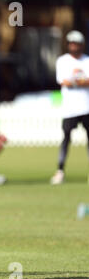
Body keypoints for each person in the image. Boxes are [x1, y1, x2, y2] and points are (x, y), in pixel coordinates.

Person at [50, 30, 89, 185]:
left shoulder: (87, 60)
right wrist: (80, 82)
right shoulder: (63, 61)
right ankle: (60, 170)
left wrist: (76, 82)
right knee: (66, 139)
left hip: (87, 107)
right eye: (72, 43)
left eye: (77, 44)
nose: (74, 46)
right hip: (70, 108)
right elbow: (63, 81)